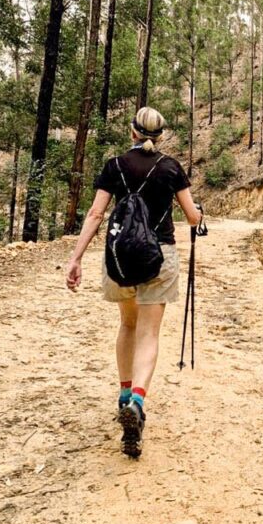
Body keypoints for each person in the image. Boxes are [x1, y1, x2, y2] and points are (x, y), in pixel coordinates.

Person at [64, 107, 202, 458]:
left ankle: (124, 394)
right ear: (160, 135)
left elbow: (96, 214)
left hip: (120, 260)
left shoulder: (114, 166)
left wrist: (76, 257)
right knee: (149, 334)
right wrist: (199, 213)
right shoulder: (171, 168)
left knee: (127, 324)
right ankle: (138, 400)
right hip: (159, 259)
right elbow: (190, 216)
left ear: (132, 132)